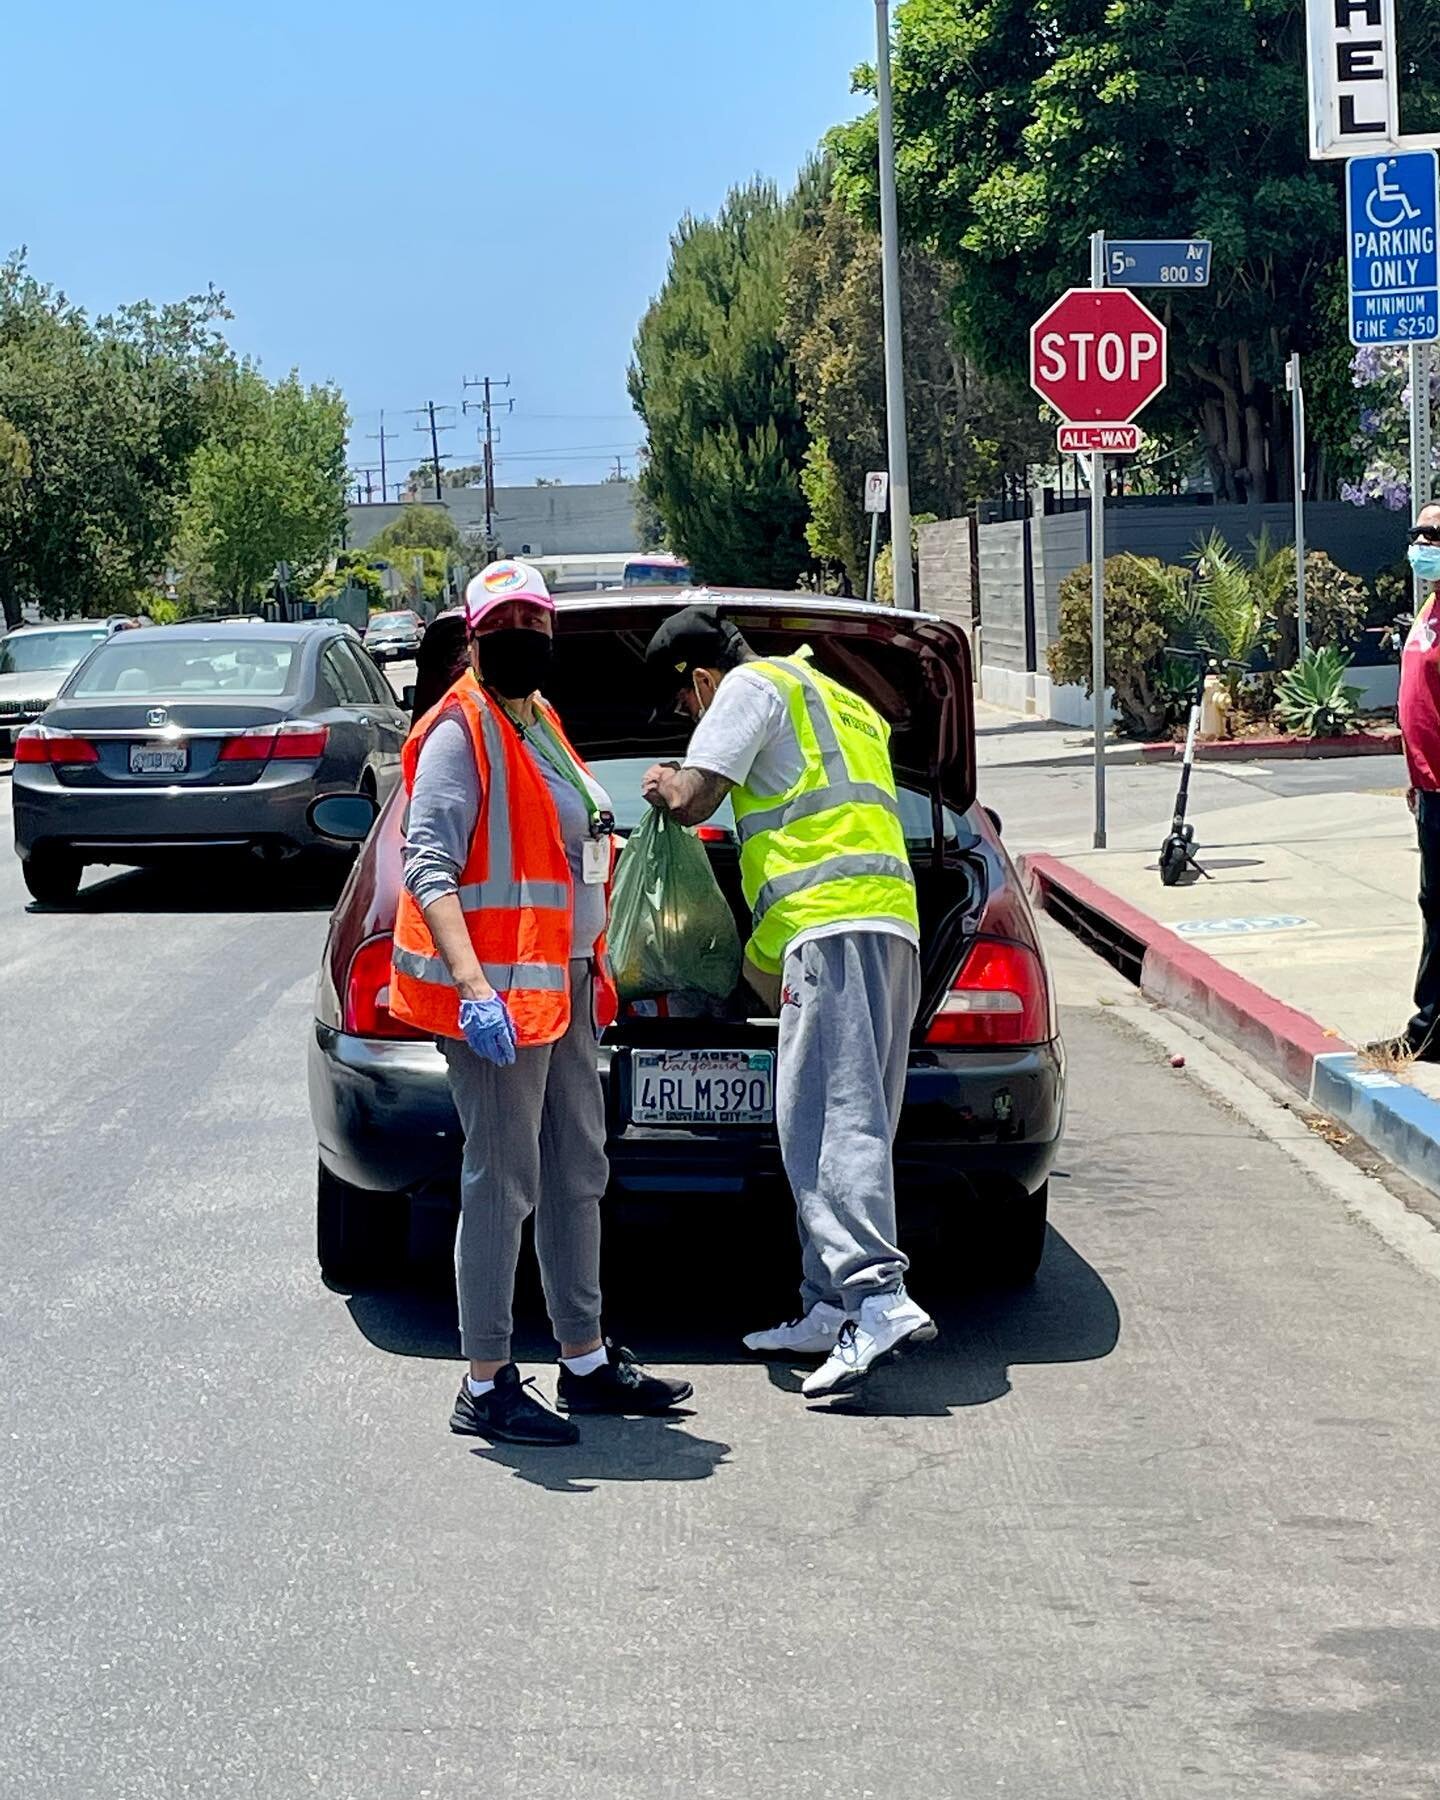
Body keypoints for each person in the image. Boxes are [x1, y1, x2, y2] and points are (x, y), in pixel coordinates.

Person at [391, 560, 692, 1445]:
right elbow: (428, 868)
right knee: (502, 1183)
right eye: (506, 622)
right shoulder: (461, 731)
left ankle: (586, 1361)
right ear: (475, 637)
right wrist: (475, 989)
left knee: (577, 1173)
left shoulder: (542, 722)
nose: (523, 635)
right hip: (498, 1000)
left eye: (536, 622)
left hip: (559, 986)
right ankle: (484, 1382)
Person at [640, 603, 935, 1399]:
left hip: (831, 926)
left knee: (827, 1119)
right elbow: (820, 822)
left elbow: (699, 797)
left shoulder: (748, 688)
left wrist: (667, 783)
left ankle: (876, 1298)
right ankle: (827, 1306)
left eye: (686, 708)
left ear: (702, 680)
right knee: (857, 1112)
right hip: (887, 925)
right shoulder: (842, 699)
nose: (695, 717)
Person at [1381, 505, 1440, 1061]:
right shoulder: (1429, 605)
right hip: (1430, 788)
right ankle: (1431, 1028)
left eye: (1435, 533)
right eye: (1418, 532)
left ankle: (1428, 1029)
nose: (1423, 542)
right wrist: (1413, 777)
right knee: (1434, 903)